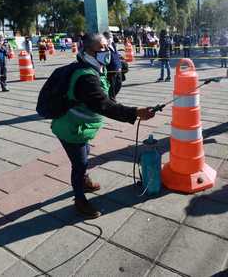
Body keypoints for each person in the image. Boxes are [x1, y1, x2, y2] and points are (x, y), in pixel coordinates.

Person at [51, 33, 155, 218]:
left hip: (81, 127)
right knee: (80, 163)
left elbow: (108, 94)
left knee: (85, 151)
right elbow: (104, 105)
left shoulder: (94, 67)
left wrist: (118, 76)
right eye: (103, 48)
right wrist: (135, 112)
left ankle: (83, 180)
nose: (108, 51)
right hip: (71, 129)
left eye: (109, 47)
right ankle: (80, 199)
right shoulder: (86, 77)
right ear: (89, 50)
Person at [103, 31, 122, 101]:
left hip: (118, 68)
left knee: (119, 84)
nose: (111, 38)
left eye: (111, 37)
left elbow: (115, 55)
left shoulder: (113, 44)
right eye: (109, 37)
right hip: (111, 70)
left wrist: (120, 65)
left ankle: (112, 97)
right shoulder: (104, 47)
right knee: (112, 86)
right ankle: (112, 99)